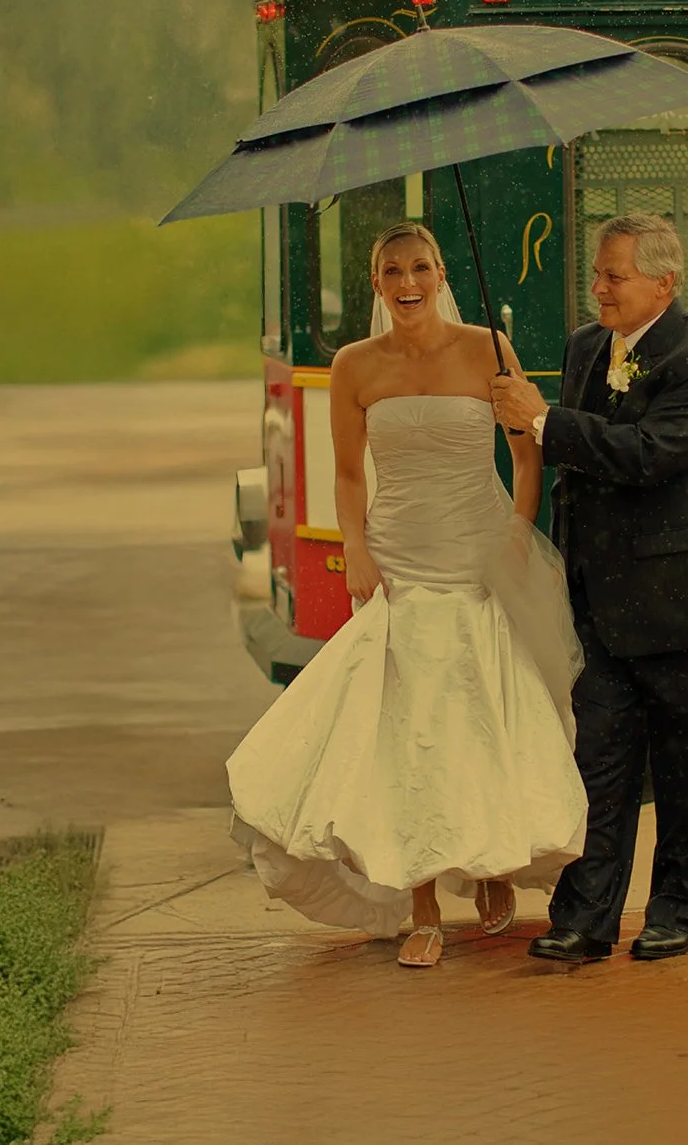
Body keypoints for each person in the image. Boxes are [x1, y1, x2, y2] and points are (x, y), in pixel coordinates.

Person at [228, 221, 587, 968]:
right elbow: (350, 474)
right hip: (401, 557)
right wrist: (355, 546)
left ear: (440, 272)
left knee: (483, 713)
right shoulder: (356, 365)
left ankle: (493, 861)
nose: (407, 282)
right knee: (408, 731)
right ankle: (422, 903)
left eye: (419, 266)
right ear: (376, 285)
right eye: (392, 271)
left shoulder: (488, 348)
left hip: (479, 549)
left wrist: (520, 530)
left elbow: (526, 454)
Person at [490, 212, 688, 964]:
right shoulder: (585, 348)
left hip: (686, 605)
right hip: (599, 605)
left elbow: (646, 455)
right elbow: (576, 470)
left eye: (614, 276)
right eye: (598, 273)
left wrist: (546, 423)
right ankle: (584, 918)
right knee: (598, 769)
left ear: (665, 283)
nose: (598, 289)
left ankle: (681, 910)